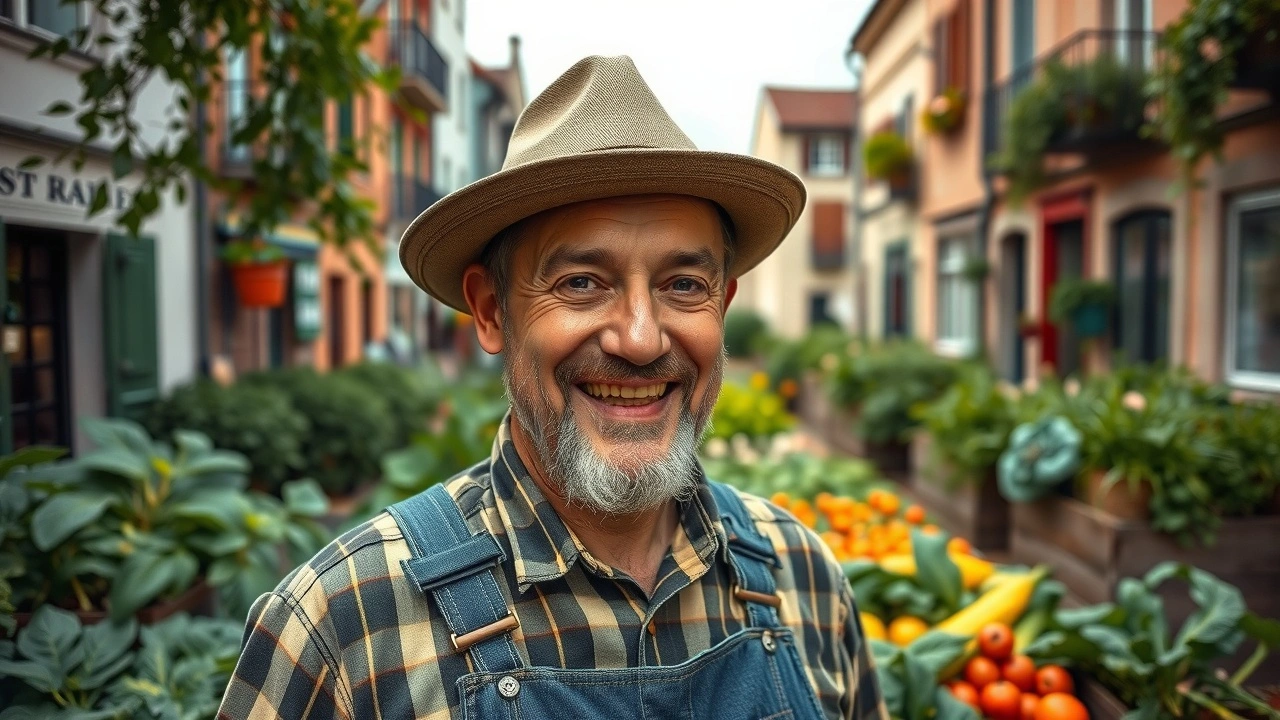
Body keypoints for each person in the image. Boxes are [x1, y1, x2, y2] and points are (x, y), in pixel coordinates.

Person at [217, 55, 888, 720]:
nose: (641, 338)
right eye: (581, 283)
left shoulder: (803, 578)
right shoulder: (345, 625)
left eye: (684, 285)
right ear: (490, 310)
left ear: (723, 303)